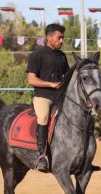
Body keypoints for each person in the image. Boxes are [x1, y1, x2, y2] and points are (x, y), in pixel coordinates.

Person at [26, 23, 70, 172]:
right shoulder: (37, 55)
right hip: (43, 96)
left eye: (63, 38)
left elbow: (67, 78)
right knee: (44, 117)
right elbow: (31, 80)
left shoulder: (62, 56)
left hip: (59, 97)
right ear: (49, 37)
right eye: (59, 38)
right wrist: (50, 84)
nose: (61, 41)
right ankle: (42, 155)